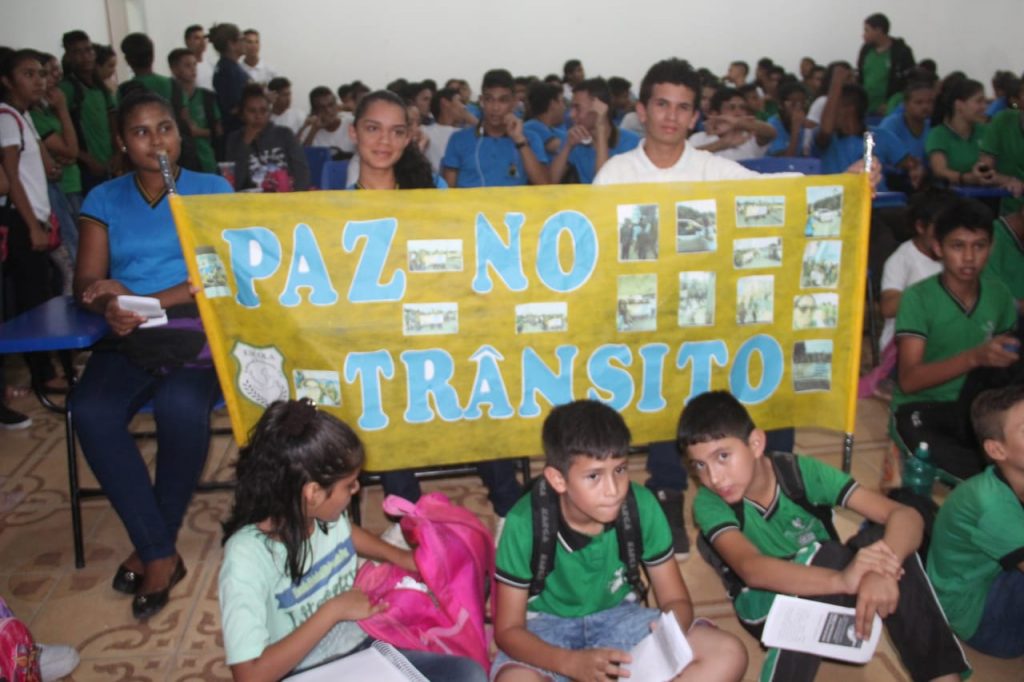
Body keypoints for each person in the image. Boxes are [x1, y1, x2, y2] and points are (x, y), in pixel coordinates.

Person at [594, 58, 875, 556]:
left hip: (713, 318)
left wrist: (847, 185)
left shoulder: (714, 169)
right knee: (664, 403)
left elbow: (783, 195)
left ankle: (766, 498)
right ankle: (667, 494)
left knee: (743, 392)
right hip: (646, 321)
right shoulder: (616, 174)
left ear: (695, 116)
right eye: (661, 104)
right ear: (642, 110)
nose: (671, 116)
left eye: (683, 107)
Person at [71, 90, 233, 620]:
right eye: (140, 132)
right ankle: (160, 547)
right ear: (122, 141)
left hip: (194, 329)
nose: (156, 141)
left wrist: (151, 300)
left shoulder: (211, 189)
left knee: (180, 406)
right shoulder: (104, 198)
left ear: (179, 133)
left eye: (165, 128)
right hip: (128, 331)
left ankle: (153, 552)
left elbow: (219, 275)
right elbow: (86, 282)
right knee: (90, 410)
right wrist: (108, 304)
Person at [681, 390, 970, 682]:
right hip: (767, 608)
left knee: (881, 541)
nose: (713, 478)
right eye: (700, 465)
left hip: (847, 613)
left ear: (756, 443)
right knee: (828, 554)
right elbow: (751, 570)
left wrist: (884, 568)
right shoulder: (709, 502)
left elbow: (906, 516)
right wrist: (841, 579)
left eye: (723, 456)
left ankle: (943, 677)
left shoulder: (797, 472)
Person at [218, 399, 487, 681]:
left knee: (468, 673)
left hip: (363, 641)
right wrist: (334, 611)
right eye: (349, 485)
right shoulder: (245, 558)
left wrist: (401, 557)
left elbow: (346, 532)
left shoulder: (318, 514)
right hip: (303, 669)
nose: (357, 489)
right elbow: (249, 675)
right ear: (313, 493)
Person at [491, 399, 748, 682]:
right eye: (594, 476)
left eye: (620, 470)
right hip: (545, 631)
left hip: (620, 618)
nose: (613, 490)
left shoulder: (641, 506)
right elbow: (508, 630)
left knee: (728, 653)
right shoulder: (524, 522)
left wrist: (664, 643)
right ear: (558, 479)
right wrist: (569, 664)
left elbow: (675, 599)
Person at [892, 197, 1019, 480]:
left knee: (1008, 461)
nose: (969, 257)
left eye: (979, 246)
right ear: (938, 248)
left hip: (979, 409)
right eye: (958, 246)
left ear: (991, 247)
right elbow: (909, 381)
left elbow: (1005, 372)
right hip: (923, 407)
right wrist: (975, 357)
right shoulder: (918, 298)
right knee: (971, 472)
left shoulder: (998, 294)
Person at [927, 385, 1024, 658]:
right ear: (997, 449)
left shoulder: (1012, 476)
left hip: (992, 577)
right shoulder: (991, 505)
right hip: (984, 618)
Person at [1, 49, 65, 395]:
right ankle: (43, 373)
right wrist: (31, 226)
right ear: (7, 81)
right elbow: (11, 177)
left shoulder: (23, 116)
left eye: (41, 73)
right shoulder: (6, 118)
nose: (39, 81)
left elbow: (41, 168)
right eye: (28, 74)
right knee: (33, 300)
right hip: (20, 221)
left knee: (45, 289)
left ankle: (47, 366)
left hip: (34, 217)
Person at [441, 68, 548, 188]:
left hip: (513, 201)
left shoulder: (530, 138)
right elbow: (447, 191)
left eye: (503, 100)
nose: (495, 107)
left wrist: (520, 141)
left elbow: (544, 185)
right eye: (489, 99)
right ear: (481, 101)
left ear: (514, 102)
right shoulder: (459, 139)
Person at [549, 77, 639, 184]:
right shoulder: (576, 141)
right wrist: (567, 146)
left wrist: (600, 129)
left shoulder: (632, 144)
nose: (571, 115)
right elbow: (550, 182)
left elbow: (603, 185)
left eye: (577, 108)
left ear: (599, 108)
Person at [59, 30, 116, 193]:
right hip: (86, 169)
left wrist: (118, 153)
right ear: (68, 56)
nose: (86, 56)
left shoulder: (101, 87)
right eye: (77, 52)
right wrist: (87, 159)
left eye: (88, 50)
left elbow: (112, 119)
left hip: (110, 164)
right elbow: (62, 129)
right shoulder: (67, 88)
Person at [224, 84, 308, 192]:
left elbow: (302, 173)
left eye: (263, 111)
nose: (258, 116)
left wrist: (294, 197)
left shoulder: (284, 134)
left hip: (285, 196)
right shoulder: (234, 139)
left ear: (269, 113)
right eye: (252, 111)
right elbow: (234, 183)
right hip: (249, 199)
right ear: (242, 114)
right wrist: (245, 144)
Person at [927, 78, 997, 188]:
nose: (984, 107)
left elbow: (987, 167)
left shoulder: (986, 131)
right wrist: (965, 178)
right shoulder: (938, 135)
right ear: (959, 105)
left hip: (985, 193)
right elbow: (939, 171)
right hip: (950, 195)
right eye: (979, 101)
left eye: (985, 102)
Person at [168, 47, 221, 174]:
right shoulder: (170, 99)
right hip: (181, 160)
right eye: (187, 65)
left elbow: (219, 131)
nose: (193, 69)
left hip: (206, 159)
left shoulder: (207, 97)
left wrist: (199, 132)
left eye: (194, 64)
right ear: (174, 69)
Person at [688, 86, 775, 161]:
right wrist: (724, 143)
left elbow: (771, 133)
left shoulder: (749, 138)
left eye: (742, 108)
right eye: (731, 108)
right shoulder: (698, 138)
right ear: (714, 114)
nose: (738, 113)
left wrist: (738, 122)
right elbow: (686, 160)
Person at [979, 77, 1024, 216]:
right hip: (1010, 216)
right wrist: (1007, 180)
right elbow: (984, 171)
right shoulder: (1002, 121)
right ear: (1017, 97)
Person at [857, 12, 916, 115]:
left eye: (867, 30)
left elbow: (910, 81)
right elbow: (860, 76)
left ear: (878, 30)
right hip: (865, 109)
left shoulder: (901, 52)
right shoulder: (865, 50)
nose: (863, 34)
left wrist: (891, 103)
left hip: (889, 111)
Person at [210, 22, 250, 138]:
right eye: (242, 39)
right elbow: (233, 107)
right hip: (236, 132)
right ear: (231, 44)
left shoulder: (233, 67)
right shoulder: (227, 71)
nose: (245, 42)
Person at [299, 86, 354, 157]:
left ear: (337, 104)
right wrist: (314, 130)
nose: (328, 110)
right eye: (322, 108)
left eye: (331, 105)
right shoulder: (309, 132)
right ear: (315, 111)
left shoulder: (353, 123)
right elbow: (303, 158)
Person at [422, 86, 465, 173]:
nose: (463, 106)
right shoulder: (424, 131)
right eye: (459, 101)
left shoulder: (464, 134)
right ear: (445, 103)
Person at [766, 81, 812, 157]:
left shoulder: (807, 125)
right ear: (781, 105)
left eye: (803, 103)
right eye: (793, 103)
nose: (798, 107)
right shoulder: (772, 125)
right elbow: (785, 160)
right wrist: (795, 129)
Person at [523, 81, 566, 157]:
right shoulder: (531, 126)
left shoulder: (557, 131)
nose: (564, 107)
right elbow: (555, 146)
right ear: (552, 104)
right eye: (562, 101)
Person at [184, 24, 213, 91]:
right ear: (187, 41)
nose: (202, 41)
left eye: (204, 38)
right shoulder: (183, 68)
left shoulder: (211, 66)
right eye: (197, 38)